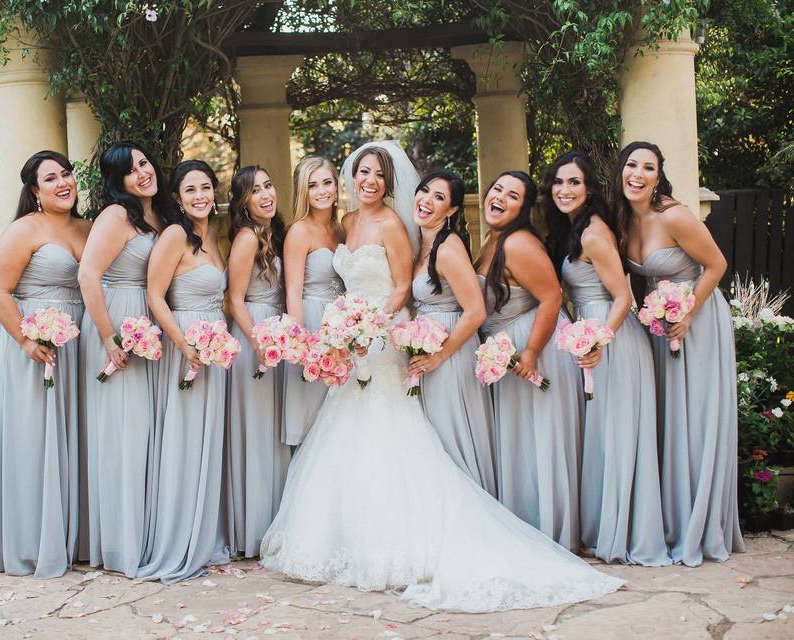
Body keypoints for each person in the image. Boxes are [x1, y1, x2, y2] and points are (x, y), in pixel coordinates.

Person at [260, 141, 623, 613]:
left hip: (380, 338)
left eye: (378, 173)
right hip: (354, 345)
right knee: (347, 434)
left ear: (391, 182)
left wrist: (366, 323)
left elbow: (398, 289)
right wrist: (341, 327)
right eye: (362, 171)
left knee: (395, 434)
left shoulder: (394, 225)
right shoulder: (346, 224)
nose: (368, 180)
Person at [616, 141, 744, 566]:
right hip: (659, 322)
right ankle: (672, 517)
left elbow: (717, 265)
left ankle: (699, 523)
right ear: (621, 171)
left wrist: (687, 313)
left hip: (699, 319)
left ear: (658, 177)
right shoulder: (623, 221)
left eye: (647, 167)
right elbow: (636, 283)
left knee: (695, 418)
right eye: (631, 165)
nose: (637, 173)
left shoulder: (673, 215)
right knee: (670, 419)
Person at [543, 150, 669, 566]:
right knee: (601, 438)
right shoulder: (571, 229)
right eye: (559, 182)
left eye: (574, 182)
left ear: (590, 188)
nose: (565, 189)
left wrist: (599, 340)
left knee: (614, 437)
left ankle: (623, 532)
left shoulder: (594, 232)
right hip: (592, 335)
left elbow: (623, 296)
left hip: (613, 338)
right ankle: (603, 529)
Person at [0, 150, 91, 578]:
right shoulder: (24, 229)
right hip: (33, 348)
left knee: (73, 436)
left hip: (78, 346)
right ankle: (30, 542)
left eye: (67, 174)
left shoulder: (89, 227)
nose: (63, 183)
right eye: (51, 178)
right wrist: (26, 340)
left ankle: (74, 535)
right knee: (35, 439)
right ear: (34, 190)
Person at [475, 171, 584, 551]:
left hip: (535, 348)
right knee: (521, 443)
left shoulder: (519, 243)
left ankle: (549, 533)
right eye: (497, 188)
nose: (500, 196)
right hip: (508, 348)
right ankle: (525, 529)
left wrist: (532, 352)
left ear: (522, 209)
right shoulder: (492, 240)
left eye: (513, 195)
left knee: (541, 442)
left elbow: (552, 297)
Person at [76, 141, 169, 576]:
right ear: (118, 182)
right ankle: (120, 544)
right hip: (116, 323)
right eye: (132, 171)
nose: (143, 173)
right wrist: (109, 336)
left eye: (144, 163)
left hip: (148, 324)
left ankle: (146, 534)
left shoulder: (158, 216)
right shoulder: (116, 216)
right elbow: (88, 275)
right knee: (123, 434)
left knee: (145, 433)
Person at [137, 160, 229, 583]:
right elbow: (155, 296)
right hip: (186, 346)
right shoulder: (175, 235)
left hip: (215, 350)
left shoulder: (212, 236)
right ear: (176, 197)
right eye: (190, 190)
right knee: (184, 442)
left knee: (207, 442)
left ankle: (204, 533)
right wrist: (184, 344)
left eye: (206, 187)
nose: (200, 196)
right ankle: (178, 539)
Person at [408, 170, 496, 495]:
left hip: (450, 351)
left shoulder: (447, 248)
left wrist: (440, 355)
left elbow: (475, 310)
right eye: (425, 191)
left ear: (453, 210)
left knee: (451, 435)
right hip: (428, 348)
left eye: (439, 198)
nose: (427, 201)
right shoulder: (421, 244)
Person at [224, 165, 292, 557]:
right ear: (244, 202)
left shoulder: (273, 234)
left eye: (269, 185)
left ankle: (272, 523)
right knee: (255, 431)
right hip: (253, 335)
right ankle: (251, 531)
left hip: (275, 334)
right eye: (255, 190)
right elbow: (235, 300)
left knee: (272, 433)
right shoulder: (248, 238)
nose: (266, 194)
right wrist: (259, 342)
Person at [280, 155, 344, 446]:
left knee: (338, 412)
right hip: (311, 322)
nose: (321, 191)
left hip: (341, 326)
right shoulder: (299, 231)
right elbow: (292, 290)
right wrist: (302, 343)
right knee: (312, 412)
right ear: (303, 191)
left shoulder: (342, 229)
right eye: (313, 185)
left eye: (327, 182)